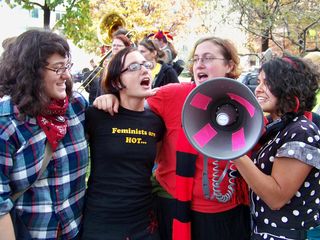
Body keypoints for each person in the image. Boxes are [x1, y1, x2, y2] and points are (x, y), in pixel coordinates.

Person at [94, 36, 250, 240]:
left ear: (229, 65)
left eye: (208, 58)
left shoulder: (246, 106)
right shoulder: (172, 95)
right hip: (172, 204)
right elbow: (131, 103)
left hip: (223, 212)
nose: (200, 64)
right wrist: (110, 96)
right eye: (196, 59)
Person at [0, 29, 88, 239]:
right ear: (31, 72)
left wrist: (110, 99)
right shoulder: (6, 123)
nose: (66, 75)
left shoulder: (76, 106)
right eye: (58, 68)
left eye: (67, 66)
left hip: (74, 231)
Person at [81, 47, 164, 240]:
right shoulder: (97, 115)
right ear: (117, 81)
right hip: (102, 223)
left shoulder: (156, 122)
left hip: (144, 223)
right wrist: (106, 96)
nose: (144, 70)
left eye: (146, 65)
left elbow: (156, 162)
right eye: (134, 66)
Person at [233, 56, 320, 240]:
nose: (258, 89)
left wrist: (234, 151)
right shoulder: (282, 127)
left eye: (267, 83)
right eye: (259, 82)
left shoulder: (301, 132)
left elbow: (276, 198)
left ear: (289, 87)